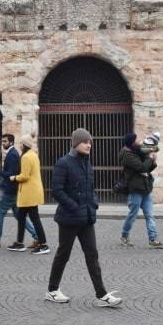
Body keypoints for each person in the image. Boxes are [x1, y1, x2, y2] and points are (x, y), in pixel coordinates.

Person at [45, 128, 123, 308]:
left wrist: (94, 202)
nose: (89, 145)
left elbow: (91, 188)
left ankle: (101, 295)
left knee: (92, 255)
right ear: (75, 143)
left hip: (87, 218)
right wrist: (73, 206)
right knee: (63, 254)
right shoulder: (63, 163)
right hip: (68, 219)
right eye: (85, 142)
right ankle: (52, 290)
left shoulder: (87, 164)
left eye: (90, 142)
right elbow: (57, 190)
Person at [0, 134, 36, 248]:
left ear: (11, 142)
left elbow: (12, 175)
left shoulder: (12, 155)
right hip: (13, 190)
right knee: (19, 216)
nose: (3, 144)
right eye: (2, 141)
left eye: (5, 142)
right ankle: (37, 236)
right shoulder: (13, 153)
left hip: (9, 190)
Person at [119, 132, 163, 249]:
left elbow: (149, 167)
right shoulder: (127, 156)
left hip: (146, 188)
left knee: (150, 215)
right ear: (131, 143)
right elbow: (142, 167)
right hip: (135, 189)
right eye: (136, 141)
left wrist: (152, 159)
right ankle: (124, 235)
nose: (138, 142)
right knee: (133, 215)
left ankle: (153, 239)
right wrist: (149, 158)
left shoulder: (137, 151)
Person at [8, 135, 49, 254]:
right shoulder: (33, 155)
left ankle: (44, 245)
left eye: (20, 144)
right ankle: (20, 242)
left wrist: (13, 178)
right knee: (21, 217)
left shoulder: (26, 157)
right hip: (32, 191)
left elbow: (24, 176)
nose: (19, 146)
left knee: (35, 218)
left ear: (24, 145)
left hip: (29, 192)